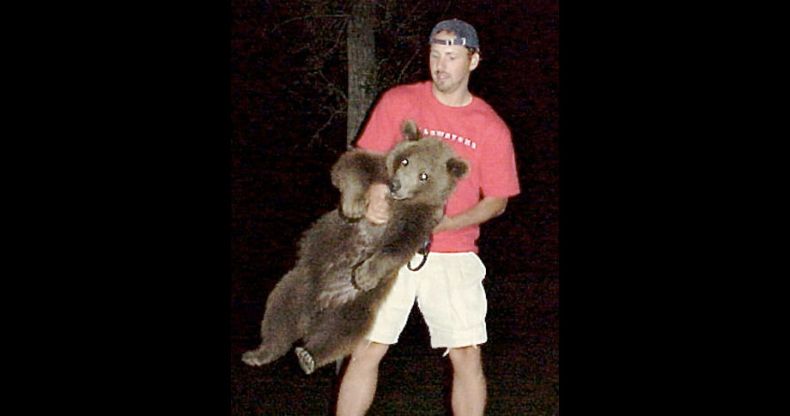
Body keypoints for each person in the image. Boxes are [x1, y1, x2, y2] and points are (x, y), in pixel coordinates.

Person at [335, 18, 520, 416]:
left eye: (452, 57)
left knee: (467, 354)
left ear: (473, 60)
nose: (441, 65)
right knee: (366, 348)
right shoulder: (400, 102)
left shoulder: (489, 127)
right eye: (435, 55)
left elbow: (499, 200)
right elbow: (366, 161)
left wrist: (448, 224)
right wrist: (374, 194)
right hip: (389, 248)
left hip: (453, 254)